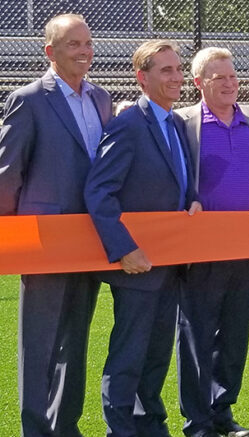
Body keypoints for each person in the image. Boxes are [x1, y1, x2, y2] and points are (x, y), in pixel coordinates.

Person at [0, 13, 112, 437]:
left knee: (76, 339)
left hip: (89, 237)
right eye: (73, 45)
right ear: (50, 52)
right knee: (40, 343)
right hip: (44, 241)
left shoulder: (101, 97)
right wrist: (9, 236)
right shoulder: (28, 98)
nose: (84, 51)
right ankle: (35, 428)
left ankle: (65, 425)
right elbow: (8, 173)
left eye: (88, 43)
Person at [84, 40, 201, 437]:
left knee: (155, 354)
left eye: (178, 69)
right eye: (166, 70)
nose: (176, 77)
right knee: (129, 354)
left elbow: (178, 182)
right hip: (136, 262)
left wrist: (194, 201)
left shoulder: (177, 122)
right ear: (142, 77)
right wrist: (124, 249)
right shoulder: (128, 124)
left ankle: (150, 423)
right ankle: (120, 429)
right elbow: (99, 193)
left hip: (170, 260)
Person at [175, 47, 249, 437]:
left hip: (247, 245)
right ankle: (197, 421)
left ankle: (222, 412)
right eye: (219, 77)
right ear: (198, 84)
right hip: (199, 248)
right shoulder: (182, 123)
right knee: (196, 335)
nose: (230, 83)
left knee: (234, 334)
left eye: (233, 76)